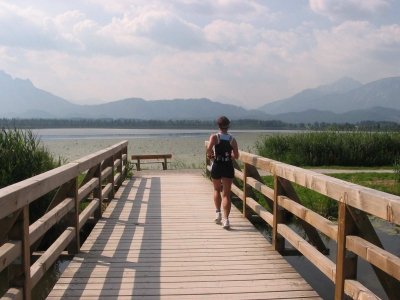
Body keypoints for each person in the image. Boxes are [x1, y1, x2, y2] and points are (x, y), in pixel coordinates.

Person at [206, 116, 239, 229]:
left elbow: (209, 149)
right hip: (228, 166)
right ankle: (226, 220)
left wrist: (211, 156)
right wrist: (230, 155)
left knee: (216, 189)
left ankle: (218, 213)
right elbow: (236, 155)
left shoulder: (214, 137)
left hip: (217, 165)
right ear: (228, 126)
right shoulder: (232, 140)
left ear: (218, 126)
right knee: (226, 194)